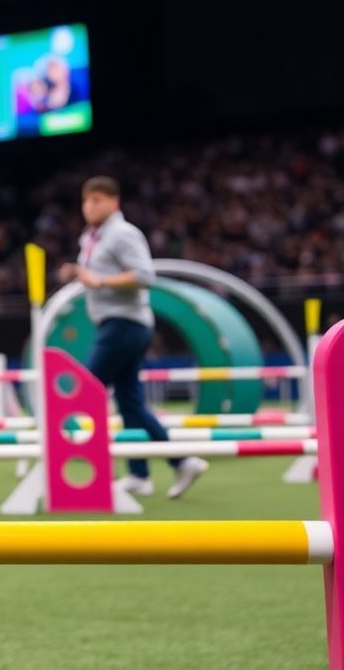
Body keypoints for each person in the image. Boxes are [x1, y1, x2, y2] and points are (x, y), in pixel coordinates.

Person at [59, 176, 208, 499]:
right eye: (86, 200)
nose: (90, 206)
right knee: (129, 403)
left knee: (87, 390)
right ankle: (144, 474)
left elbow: (144, 276)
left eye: (97, 199)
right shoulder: (91, 237)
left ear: (114, 202)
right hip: (116, 324)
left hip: (124, 324)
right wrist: (76, 273)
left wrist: (99, 281)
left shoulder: (123, 233)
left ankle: (178, 460)